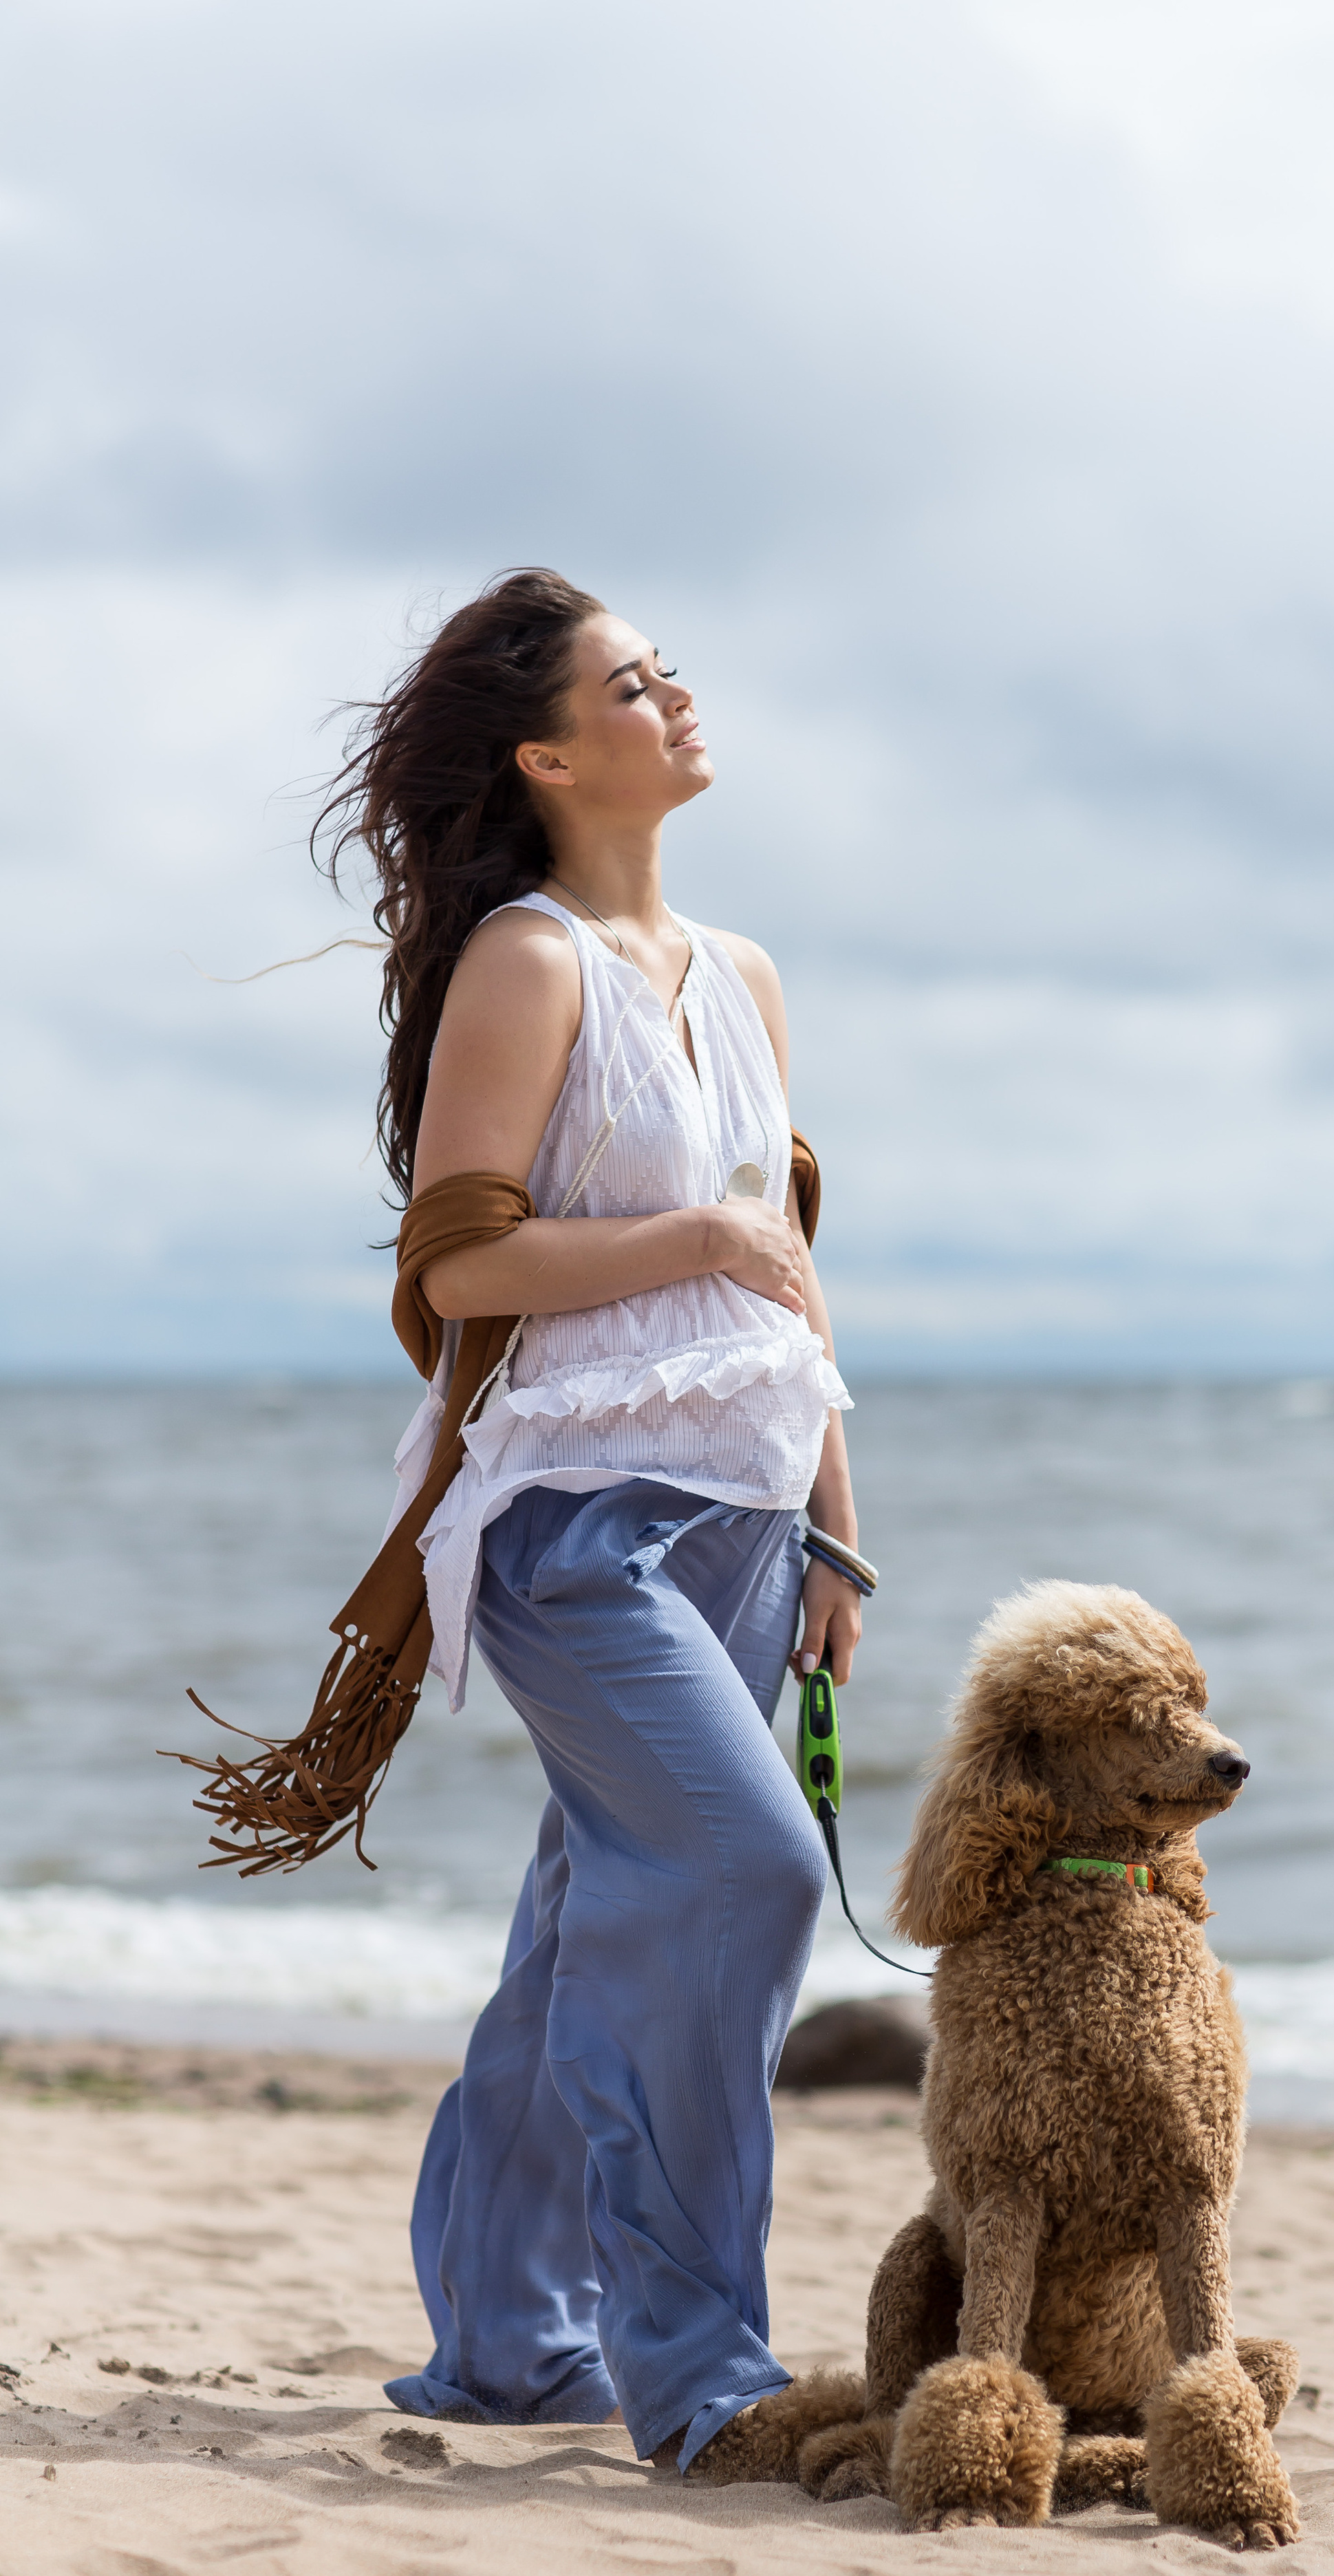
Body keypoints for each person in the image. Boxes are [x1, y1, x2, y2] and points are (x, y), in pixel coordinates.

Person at [321, 568, 863, 2471]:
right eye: (636, 683)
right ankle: (701, 2371)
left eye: (670, 669)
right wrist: (695, 1233)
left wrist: (834, 1527)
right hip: (571, 1524)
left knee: (590, 1929)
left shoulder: (745, 973)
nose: (677, 696)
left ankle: (499, 2337)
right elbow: (462, 1266)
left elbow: (786, 1294)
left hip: (742, 1513)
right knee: (745, 1876)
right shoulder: (527, 964)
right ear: (554, 755)